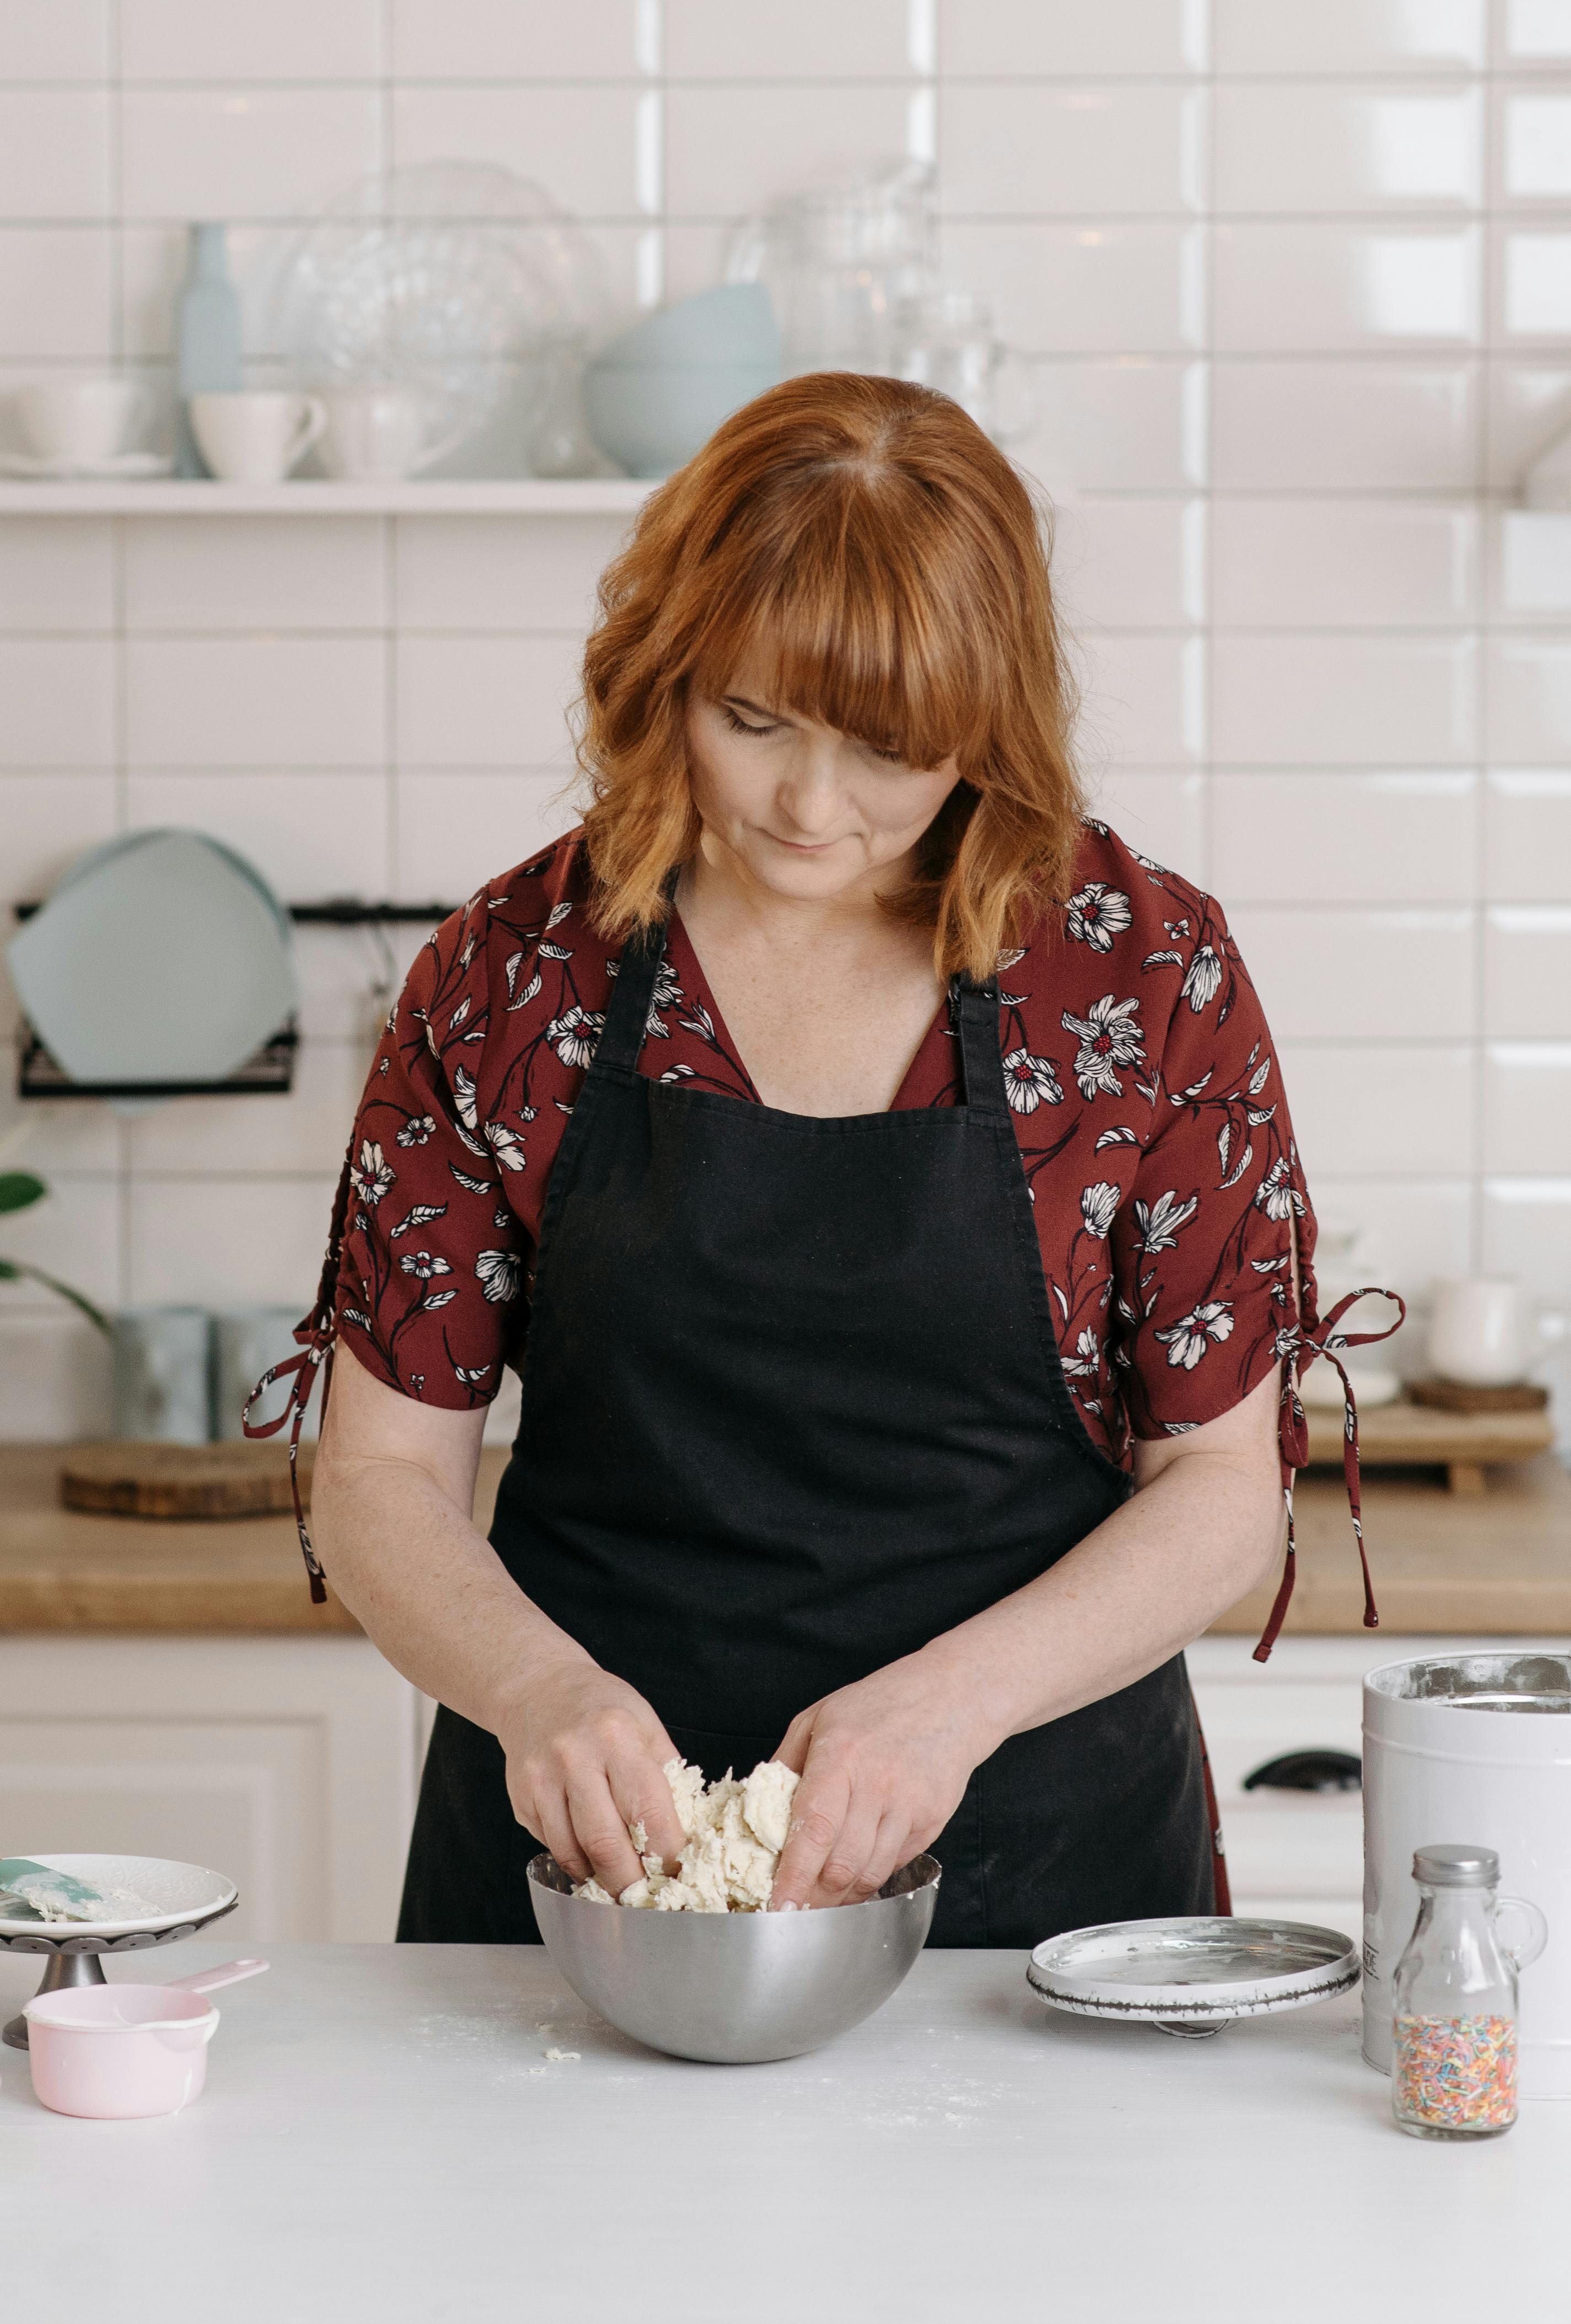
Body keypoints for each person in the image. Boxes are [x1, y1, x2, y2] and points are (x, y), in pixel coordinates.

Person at [276, 373, 1389, 1945]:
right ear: (666, 671)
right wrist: (535, 1688)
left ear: (984, 721)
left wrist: (950, 1703)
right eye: (750, 719)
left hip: (1042, 1888)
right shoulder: (515, 976)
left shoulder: (1138, 974)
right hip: (589, 1876)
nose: (807, 802)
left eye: (885, 747)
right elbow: (384, 1474)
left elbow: (1220, 1483)